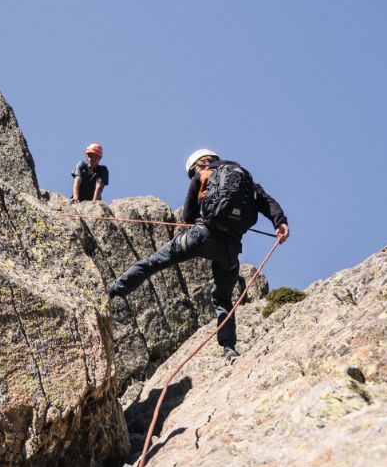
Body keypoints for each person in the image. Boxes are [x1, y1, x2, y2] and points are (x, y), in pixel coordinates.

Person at [107, 149, 289, 363]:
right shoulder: (245, 179)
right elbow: (267, 202)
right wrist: (280, 223)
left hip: (201, 236)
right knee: (223, 299)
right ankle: (229, 348)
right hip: (230, 249)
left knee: (153, 262)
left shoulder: (203, 174)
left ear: (198, 165)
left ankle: (112, 292)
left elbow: (187, 215)